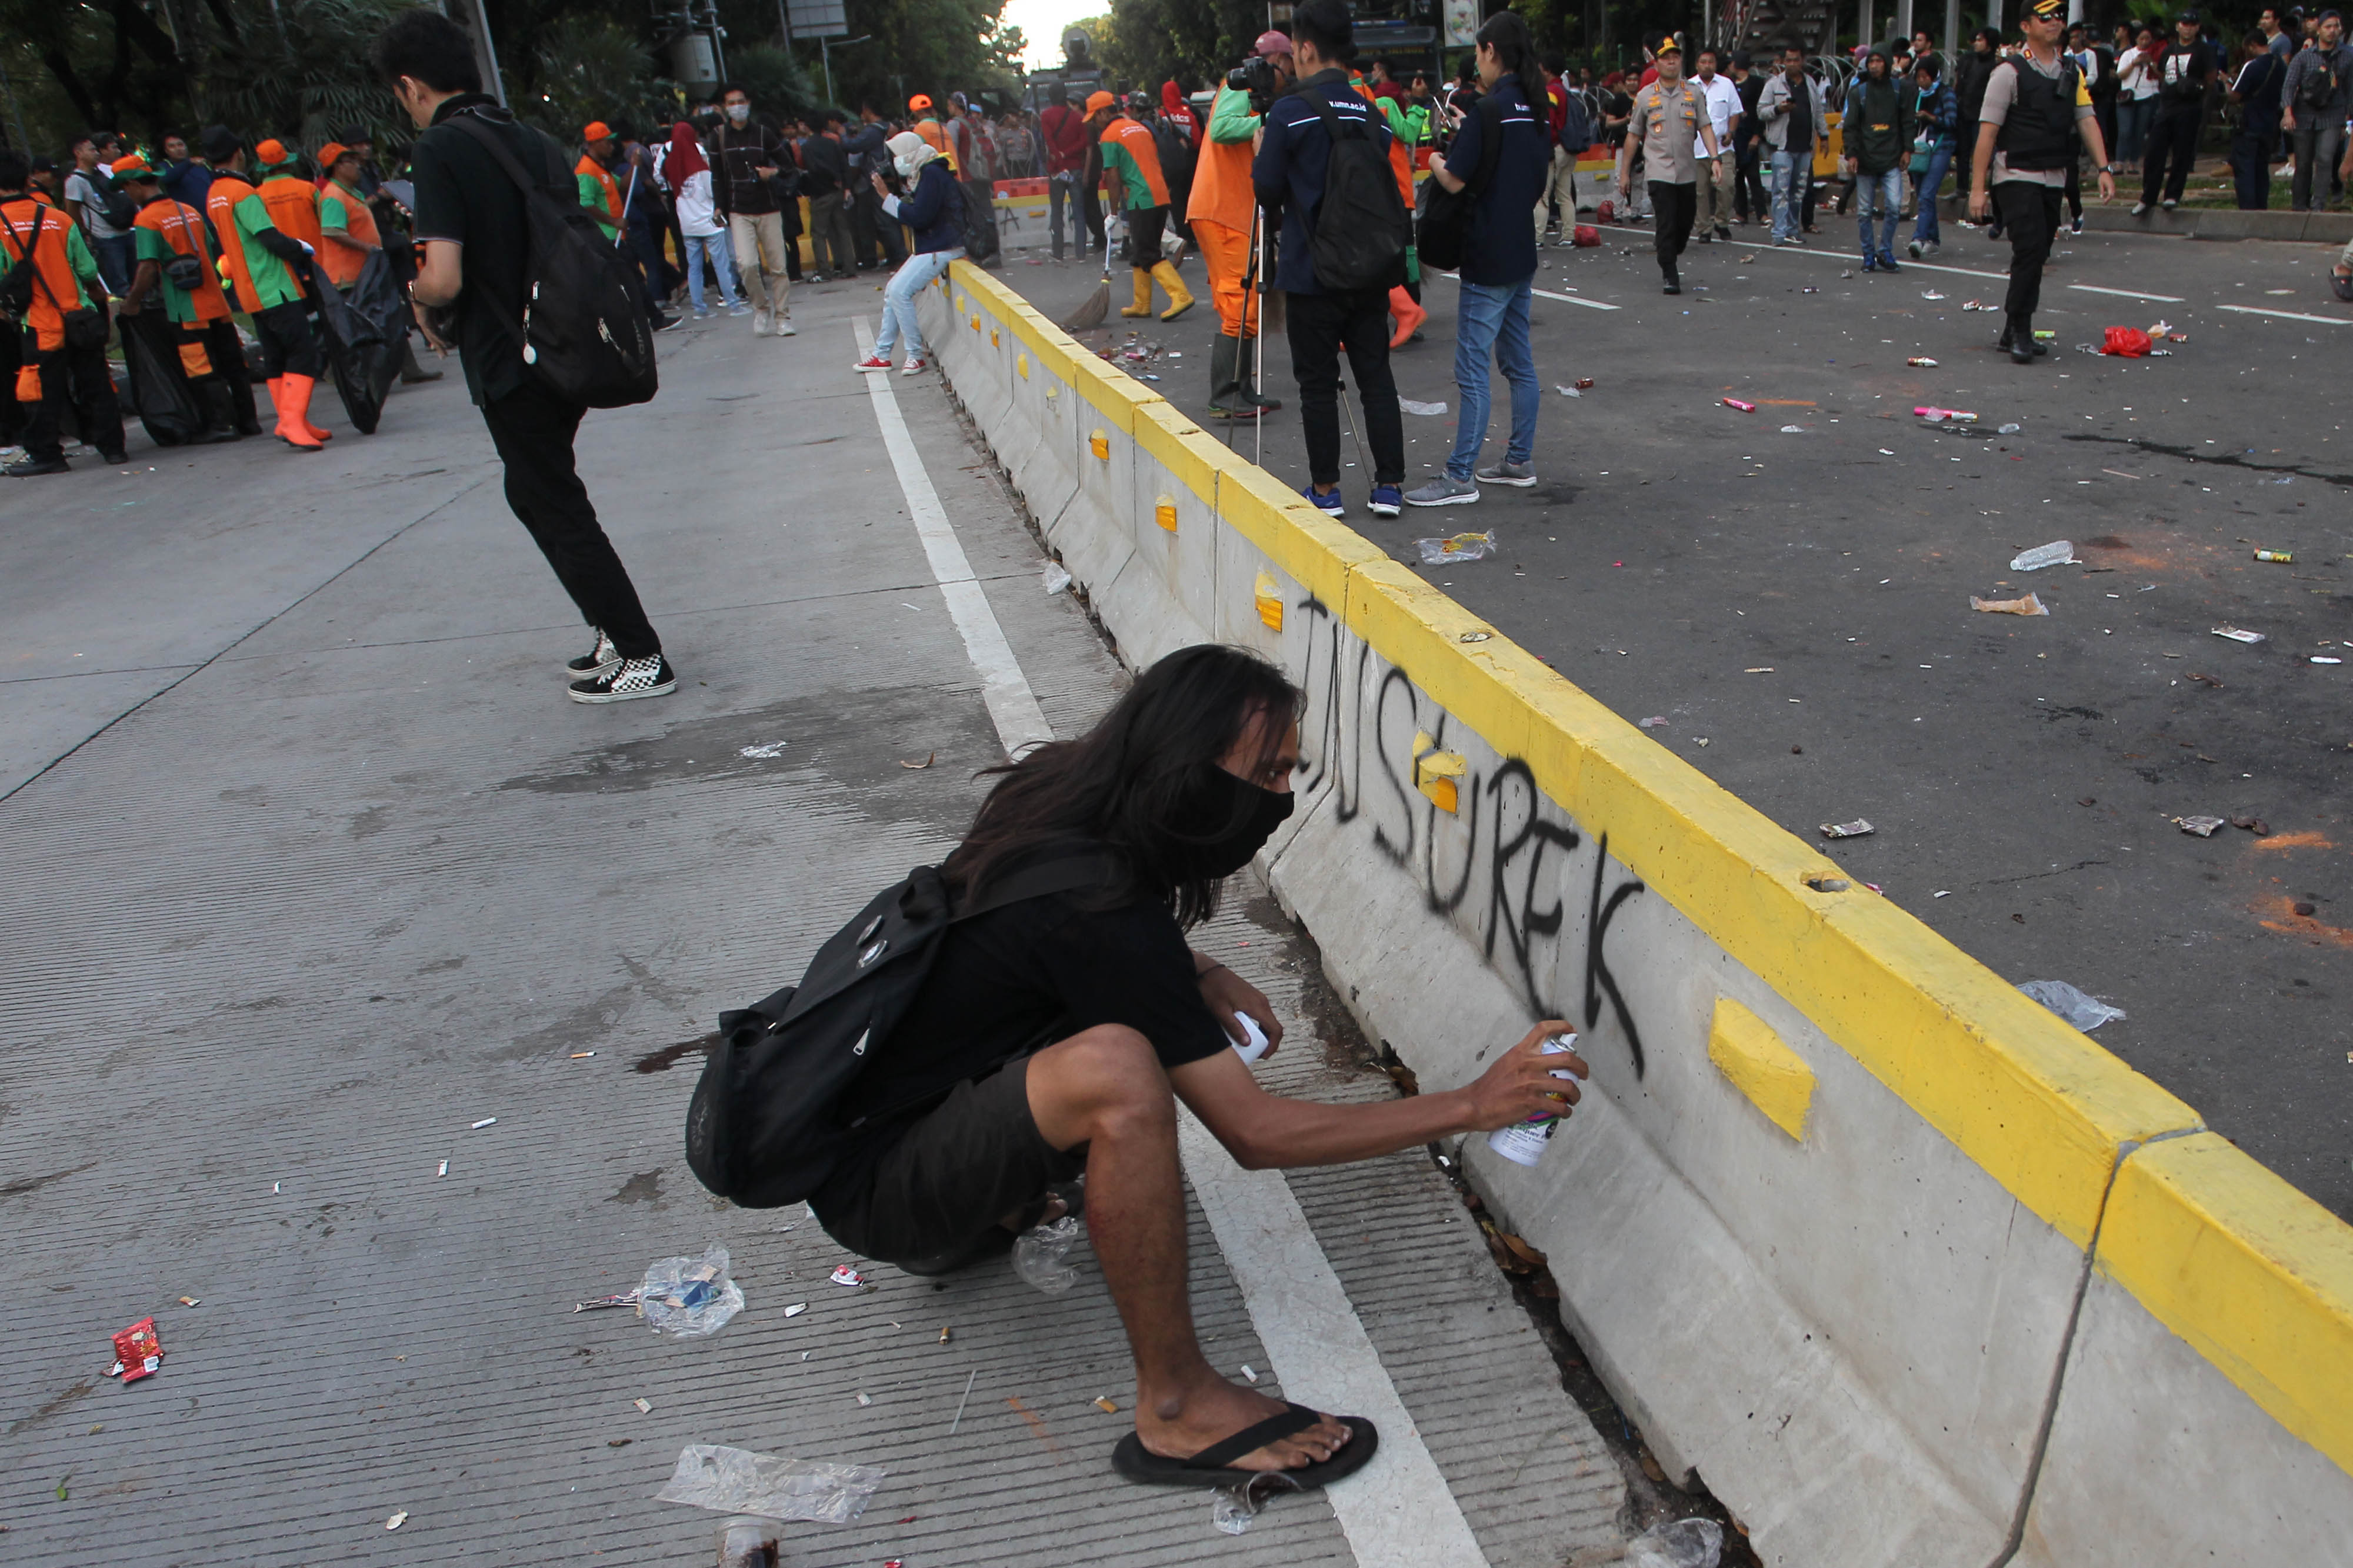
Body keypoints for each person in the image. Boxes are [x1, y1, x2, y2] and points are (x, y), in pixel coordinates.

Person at [801, 642, 1578, 1489]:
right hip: (883, 1194)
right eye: (1269, 773)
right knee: (1119, 1072)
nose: (1283, 796)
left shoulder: (1053, 790)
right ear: (1185, 768)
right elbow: (1256, 1131)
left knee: (1114, 1019)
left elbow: (1055, 942)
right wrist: (1471, 1104)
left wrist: (1195, 971)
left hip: (881, 1137)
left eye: (1290, 772)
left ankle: (986, 1209)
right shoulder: (1100, 914)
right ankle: (1176, 1407)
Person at [375, 8, 678, 703]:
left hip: (508, 358)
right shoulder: (533, 140)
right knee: (533, 491)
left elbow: (443, 275)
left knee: (552, 498)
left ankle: (640, 654)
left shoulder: (441, 149)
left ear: (410, 87)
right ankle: (610, 628)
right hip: (563, 345)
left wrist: (417, 295)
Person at [1254, 0, 1405, 519]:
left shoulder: (1290, 113)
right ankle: (1389, 486)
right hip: (1368, 268)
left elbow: (1267, 191)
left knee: (1317, 383)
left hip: (1311, 270)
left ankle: (1326, 490)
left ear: (1307, 48)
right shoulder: (1372, 114)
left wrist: (1261, 148)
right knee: (1375, 377)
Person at [1405, 9, 1547, 506]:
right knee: (1518, 364)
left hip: (1486, 256)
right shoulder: (1534, 106)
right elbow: (1532, 178)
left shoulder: (1489, 112)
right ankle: (1518, 460)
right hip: (1520, 250)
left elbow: (1455, 179)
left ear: (1491, 53)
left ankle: (1459, 474)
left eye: (1479, 54)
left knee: (1472, 369)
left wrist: (1440, 158)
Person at [1970, 0, 2117, 363]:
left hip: (2054, 176)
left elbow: (2086, 120)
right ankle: (2021, 328)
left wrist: (2103, 168)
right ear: (2025, 25)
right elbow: (1987, 134)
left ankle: (2012, 327)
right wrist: (1977, 189)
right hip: (2016, 174)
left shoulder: (2071, 70)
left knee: (2039, 253)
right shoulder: (2009, 73)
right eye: (2045, 17)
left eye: (2059, 17)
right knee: (2030, 248)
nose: (2055, 23)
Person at [0, 151, 126, 476]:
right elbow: (87, 270)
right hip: (79, 316)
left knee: (39, 390)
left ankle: (47, 455)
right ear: (27, 179)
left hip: (39, 324)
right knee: (97, 384)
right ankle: (113, 449)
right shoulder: (58, 218)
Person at [205, 132, 332, 450]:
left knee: (275, 354)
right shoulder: (242, 192)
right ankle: (292, 421)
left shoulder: (215, 194)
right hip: (273, 283)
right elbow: (268, 237)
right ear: (238, 154)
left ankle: (291, 420)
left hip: (249, 288)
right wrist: (300, 248)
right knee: (302, 351)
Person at [1190, 32, 1292, 419]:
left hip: (1231, 209)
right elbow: (1220, 128)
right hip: (1225, 210)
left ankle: (1241, 388)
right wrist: (1264, 128)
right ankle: (1226, 394)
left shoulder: (1254, 90)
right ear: (1278, 61)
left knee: (1244, 302)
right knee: (1240, 302)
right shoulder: (1244, 83)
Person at [851, 131, 964, 376]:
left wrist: (887, 198)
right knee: (892, 291)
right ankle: (882, 354)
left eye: (897, 155)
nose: (894, 162)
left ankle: (915, 355)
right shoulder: (926, 172)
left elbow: (920, 217)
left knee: (900, 292)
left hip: (941, 246)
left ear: (910, 153)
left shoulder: (932, 174)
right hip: (933, 245)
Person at [1621, 33, 1721, 290]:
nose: (1672, 63)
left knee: (1685, 222)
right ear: (1656, 63)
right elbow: (1633, 136)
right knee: (1666, 220)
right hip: (1658, 171)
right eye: (1666, 59)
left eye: (1676, 58)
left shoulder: (1694, 93)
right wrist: (1624, 174)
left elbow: (1706, 127)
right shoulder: (1644, 97)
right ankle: (1670, 273)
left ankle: (1670, 250)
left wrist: (1715, 158)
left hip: (1687, 171)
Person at [1089, 91, 1191, 322]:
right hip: (1159, 193)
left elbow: (1112, 177)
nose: (1094, 124)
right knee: (1140, 249)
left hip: (1141, 197)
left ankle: (1181, 295)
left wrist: (1113, 213)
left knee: (1147, 251)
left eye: (1094, 118)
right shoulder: (1138, 127)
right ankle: (1142, 303)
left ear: (1104, 112)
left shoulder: (1109, 136)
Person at [711, 84, 795, 336]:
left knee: (779, 267)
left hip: (768, 208)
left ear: (748, 103)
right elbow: (716, 175)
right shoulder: (719, 136)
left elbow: (788, 166)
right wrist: (718, 206)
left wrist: (773, 173)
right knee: (747, 265)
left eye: (741, 101)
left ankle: (783, 317)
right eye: (732, 102)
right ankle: (761, 307)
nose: (737, 106)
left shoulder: (763, 134)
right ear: (725, 108)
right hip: (739, 210)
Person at [2135, 11, 2219, 212]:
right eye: (2184, 24)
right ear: (2178, 26)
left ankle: (2173, 195)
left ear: (2197, 27)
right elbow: (2163, 74)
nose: (2188, 28)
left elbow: (2211, 78)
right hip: (2167, 105)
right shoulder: (2169, 50)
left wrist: (2197, 92)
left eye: (2192, 24)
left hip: (2190, 107)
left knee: (2182, 153)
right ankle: (2148, 196)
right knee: (2155, 152)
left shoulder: (2204, 50)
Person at [664, 121, 745, 317]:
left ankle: (700, 309)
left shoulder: (670, 166)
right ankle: (733, 303)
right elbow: (712, 193)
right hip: (709, 223)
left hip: (687, 224)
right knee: (721, 265)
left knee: (694, 268)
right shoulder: (700, 167)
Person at [1843, 45, 1912, 271]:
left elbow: (1907, 122)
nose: (1874, 66)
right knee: (1864, 212)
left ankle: (1885, 250)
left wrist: (1907, 150)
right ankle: (1868, 255)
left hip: (1891, 159)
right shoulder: (1858, 93)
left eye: (1878, 61)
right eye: (1870, 62)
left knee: (1894, 206)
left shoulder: (1898, 90)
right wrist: (1852, 154)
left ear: (1887, 62)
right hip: (1865, 161)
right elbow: (1851, 127)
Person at [2281, 11, 2353, 211]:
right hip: (2304, 114)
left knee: (2325, 159)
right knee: (2303, 163)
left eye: (2336, 26)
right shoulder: (2304, 57)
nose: (2332, 31)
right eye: (2328, 27)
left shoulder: (2348, 57)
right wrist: (2288, 112)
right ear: (2319, 29)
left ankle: (2319, 204)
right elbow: (2289, 85)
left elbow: (2350, 90)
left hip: (2333, 115)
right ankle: (2299, 205)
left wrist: (2348, 118)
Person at [1759, 45, 1828, 243]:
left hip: (1805, 146)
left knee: (1798, 192)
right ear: (1783, 62)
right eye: (1788, 60)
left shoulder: (1810, 83)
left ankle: (1792, 229)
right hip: (1782, 147)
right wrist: (1779, 109)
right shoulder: (1774, 84)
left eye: (1796, 60)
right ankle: (1779, 233)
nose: (1792, 64)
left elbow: (1818, 112)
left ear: (1802, 61)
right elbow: (1761, 111)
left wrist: (1824, 135)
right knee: (1781, 190)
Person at [63, 134, 136, 296]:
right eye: (92, 150)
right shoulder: (75, 180)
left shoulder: (101, 174)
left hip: (126, 231)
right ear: (78, 153)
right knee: (120, 284)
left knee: (135, 278)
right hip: (105, 238)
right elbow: (72, 210)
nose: (97, 153)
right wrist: (84, 233)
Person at [2230, 30, 2290, 207]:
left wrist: (2226, 82)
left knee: (2245, 169)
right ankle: (2261, 206)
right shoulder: (2280, 65)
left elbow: (2235, 96)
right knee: (2261, 169)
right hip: (2270, 123)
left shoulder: (2252, 65)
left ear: (2252, 45)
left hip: (2250, 123)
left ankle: (2248, 207)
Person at [1907, 57, 1960, 255]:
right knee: (1922, 194)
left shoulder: (1946, 93)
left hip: (1941, 146)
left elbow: (1952, 122)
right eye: (1919, 77)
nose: (1922, 81)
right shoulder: (1917, 94)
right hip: (1920, 149)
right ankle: (1933, 239)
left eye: (1925, 77)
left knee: (1928, 193)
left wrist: (1931, 118)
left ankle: (1919, 238)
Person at [1691, 47, 1742, 241]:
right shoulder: (1689, 86)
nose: (1707, 65)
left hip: (1723, 147)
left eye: (1710, 62)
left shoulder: (1726, 84)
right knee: (1700, 192)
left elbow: (1735, 112)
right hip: (1697, 149)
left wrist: (1731, 132)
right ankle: (1704, 229)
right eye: (1703, 62)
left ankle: (1722, 222)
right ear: (1697, 64)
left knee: (1727, 185)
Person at [846, 104, 906, 268]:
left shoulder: (873, 131)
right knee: (889, 217)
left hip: (878, 179)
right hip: (890, 176)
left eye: (863, 110)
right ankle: (896, 257)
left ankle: (900, 258)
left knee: (885, 220)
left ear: (869, 111)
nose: (861, 114)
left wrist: (840, 137)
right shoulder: (887, 127)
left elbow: (854, 146)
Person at [316, 144, 381, 290]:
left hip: (363, 273)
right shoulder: (334, 195)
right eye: (351, 161)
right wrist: (367, 248)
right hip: (348, 278)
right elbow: (333, 232)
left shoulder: (351, 193)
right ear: (337, 166)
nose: (358, 166)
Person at [801, 113, 857, 281]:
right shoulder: (832, 144)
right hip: (838, 193)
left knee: (819, 234)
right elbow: (844, 166)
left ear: (808, 127)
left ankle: (824, 271)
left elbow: (814, 168)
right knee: (843, 231)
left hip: (820, 194)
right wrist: (845, 186)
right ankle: (849, 267)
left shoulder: (807, 147)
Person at [1039, 83, 1089, 260]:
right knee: (1079, 212)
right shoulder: (1077, 117)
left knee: (1057, 212)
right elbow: (1083, 142)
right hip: (1075, 167)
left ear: (1050, 97)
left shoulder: (1045, 116)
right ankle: (1081, 254)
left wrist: (1059, 159)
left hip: (1056, 171)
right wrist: (1066, 154)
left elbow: (1049, 141)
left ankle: (1058, 252)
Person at [1731, 51, 1771, 222]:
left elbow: (1760, 111)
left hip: (1750, 133)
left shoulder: (1756, 83)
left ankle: (1762, 213)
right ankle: (1741, 213)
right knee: (1737, 177)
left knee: (1754, 176)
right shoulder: (1730, 84)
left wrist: (1757, 135)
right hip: (1735, 136)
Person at [158, 133, 213, 211]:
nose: (178, 149)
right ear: (166, 151)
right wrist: (189, 163)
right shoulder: (164, 166)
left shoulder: (199, 164)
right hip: (189, 216)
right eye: (172, 146)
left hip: (212, 211)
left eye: (180, 145)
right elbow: (167, 177)